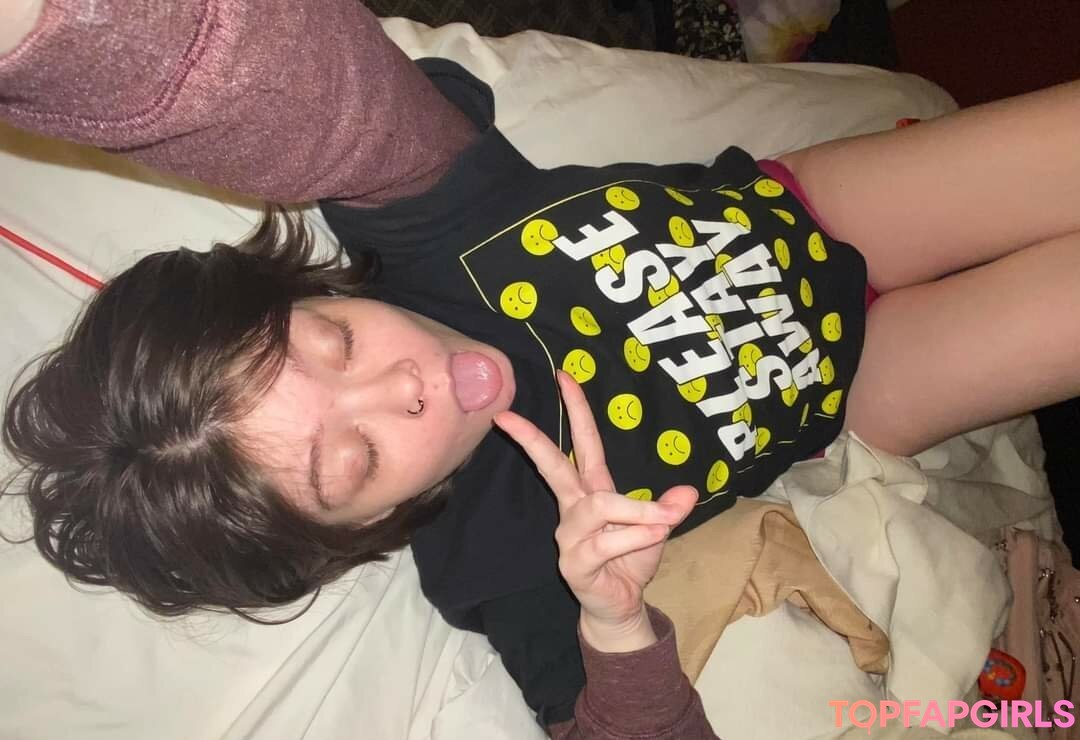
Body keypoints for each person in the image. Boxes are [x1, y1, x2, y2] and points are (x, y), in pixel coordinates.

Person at [2, 1, 1079, 738]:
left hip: (812, 209)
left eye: (334, 343)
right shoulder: (501, 563)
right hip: (865, 386)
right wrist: (612, 620)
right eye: (358, 456)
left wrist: (51, 32)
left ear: (309, 290)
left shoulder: (426, 222)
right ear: (357, 529)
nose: (404, 383)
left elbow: (293, 83)